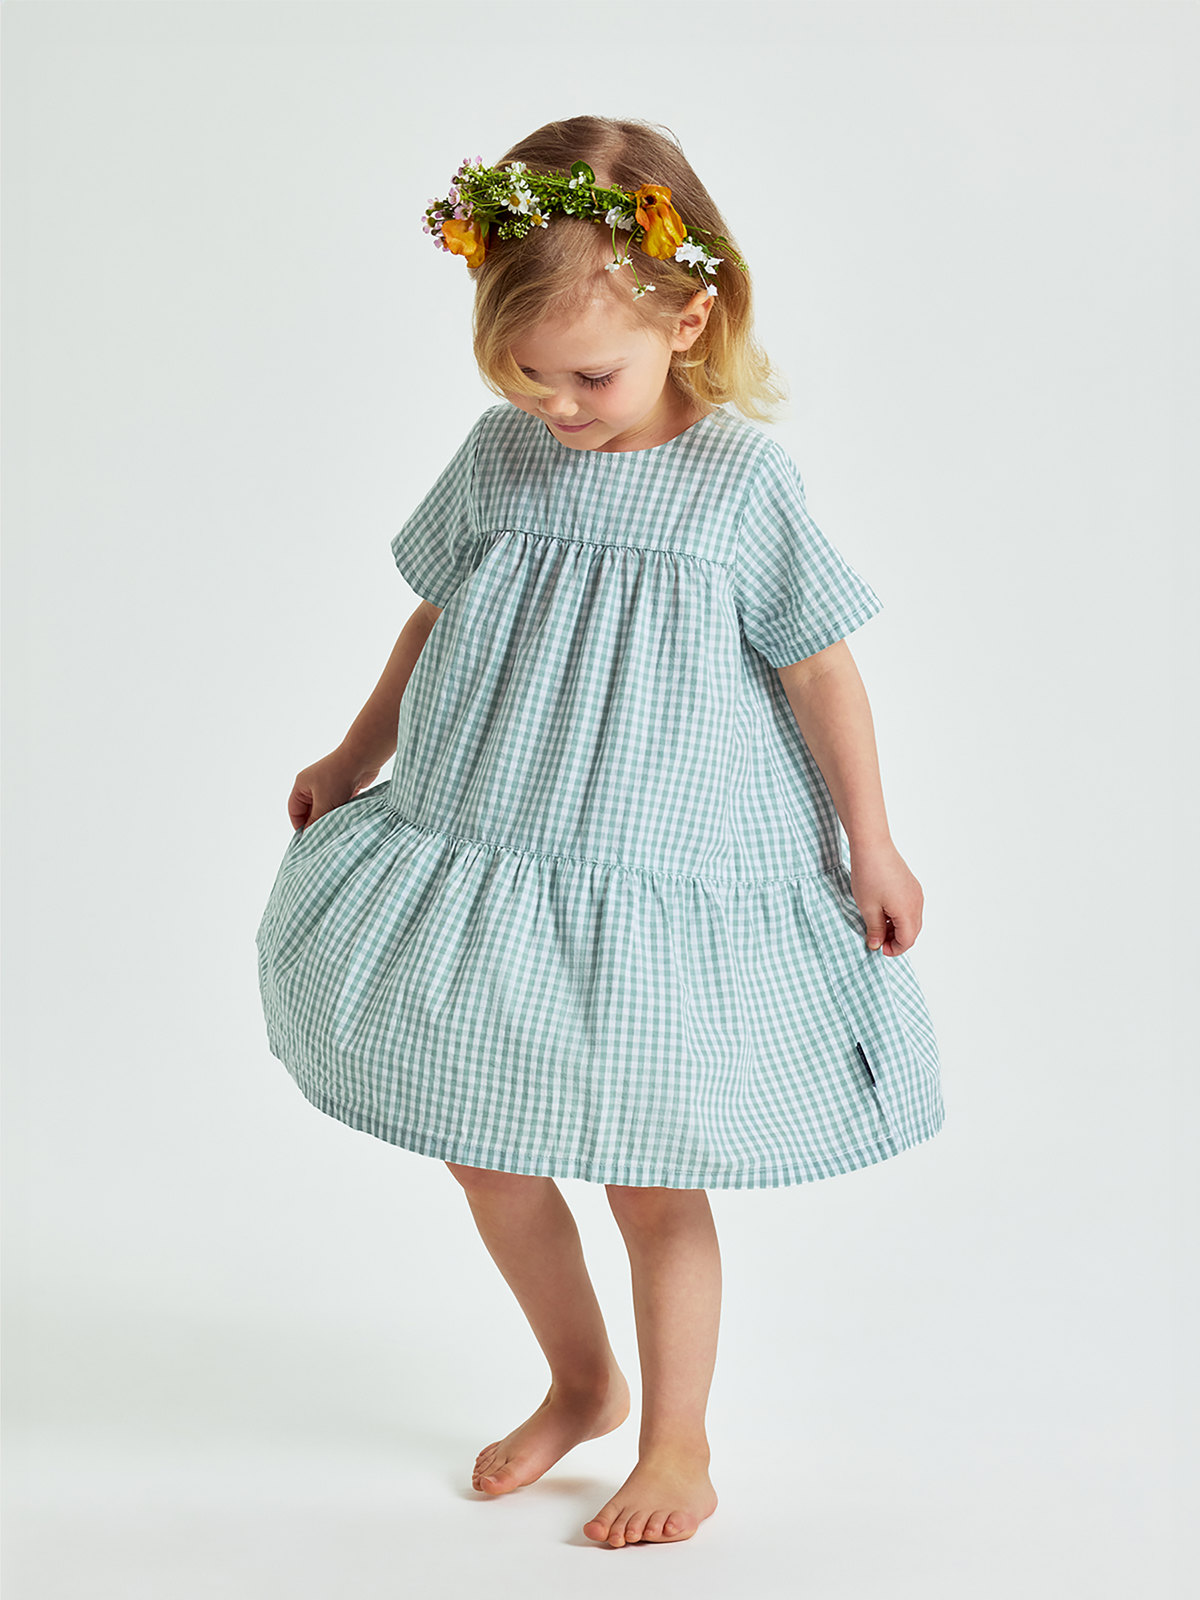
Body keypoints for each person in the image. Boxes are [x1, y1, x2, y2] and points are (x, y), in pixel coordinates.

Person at [255, 115, 946, 1550]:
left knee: (651, 1172)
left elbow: (820, 664)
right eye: (526, 372)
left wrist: (872, 841)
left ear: (687, 320)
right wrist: (355, 750)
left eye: (590, 376)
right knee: (483, 1141)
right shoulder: (501, 457)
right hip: (496, 834)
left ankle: (679, 1441)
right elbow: (432, 617)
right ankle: (581, 1382)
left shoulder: (741, 483)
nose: (557, 405)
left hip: (656, 870)